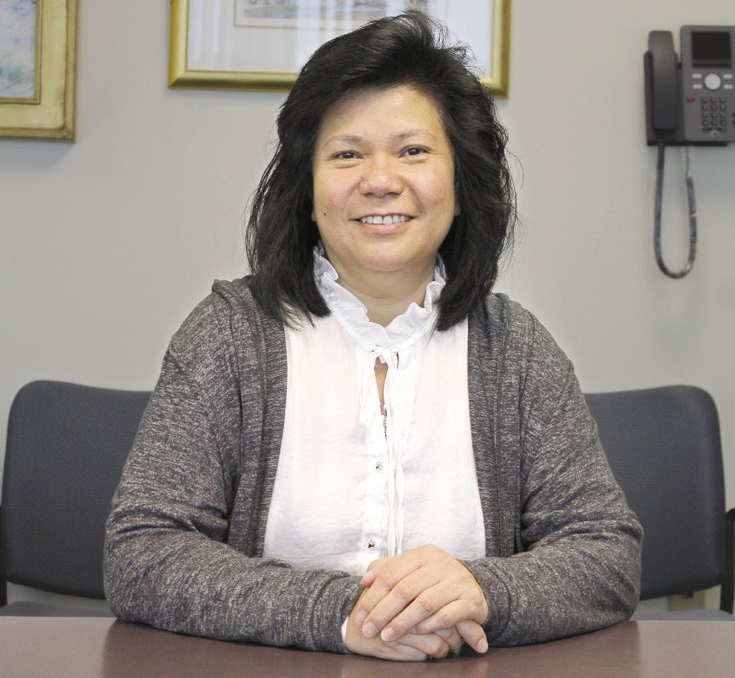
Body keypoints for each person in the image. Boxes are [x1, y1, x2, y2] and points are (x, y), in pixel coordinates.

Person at [104, 11, 642, 661]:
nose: (380, 179)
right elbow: (142, 552)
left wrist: (483, 588)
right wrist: (341, 615)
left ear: (460, 180)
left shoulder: (517, 351)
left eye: (413, 150)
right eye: (347, 153)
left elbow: (606, 553)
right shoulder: (228, 337)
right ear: (308, 188)